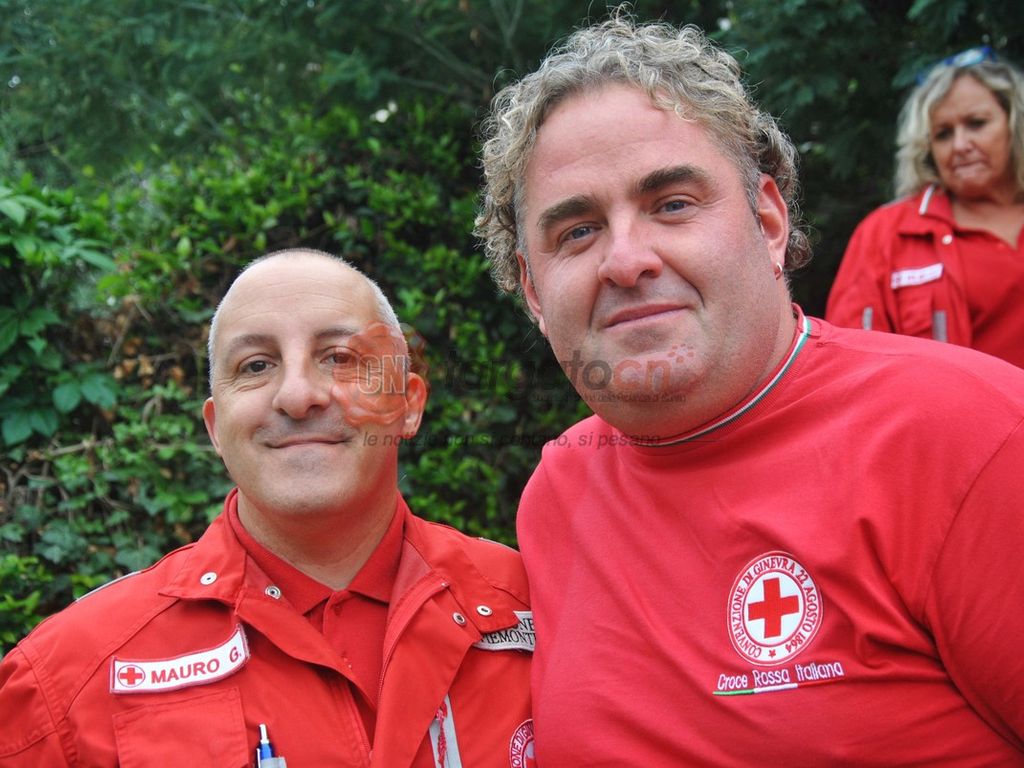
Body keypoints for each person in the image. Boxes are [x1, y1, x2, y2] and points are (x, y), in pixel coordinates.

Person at [475, 15, 1024, 765]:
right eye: (577, 231)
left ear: (768, 221)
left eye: (672, 203)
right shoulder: (557, 494)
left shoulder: (974, 437)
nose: (626, 261)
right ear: (535, 292)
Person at [0, 249, 534, 766]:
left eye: (340, 358)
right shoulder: (66, 680)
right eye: (256, 365)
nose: (298, 396)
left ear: (407, 405)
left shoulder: (538, 611)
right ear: (216, 428)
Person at [826, 47, 1024, 368]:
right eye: (943, 134)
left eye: (976, 124)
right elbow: (853, 367)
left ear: (1014, 124)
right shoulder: (885, 234)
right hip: (957, 403)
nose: (960, 145)